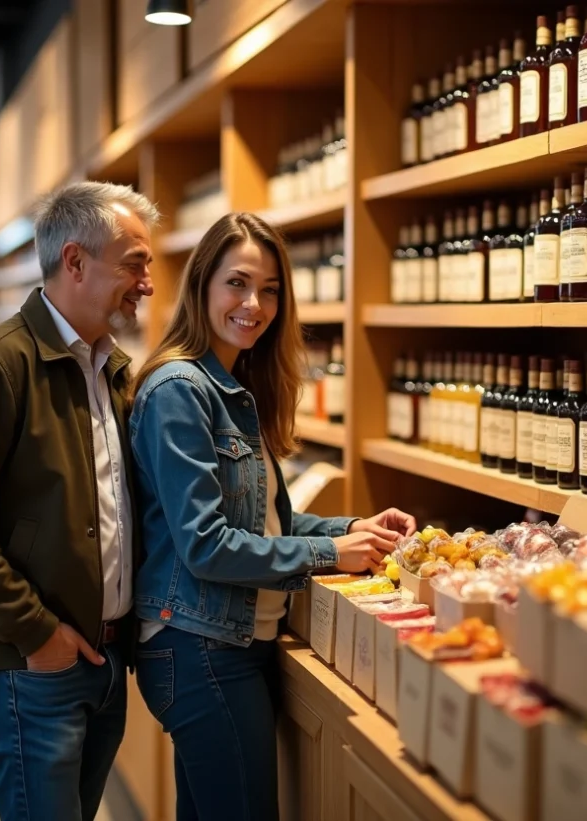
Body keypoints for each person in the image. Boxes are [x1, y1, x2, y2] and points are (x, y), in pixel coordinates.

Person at [127, 212, 417, 820]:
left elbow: (263, 523)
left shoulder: (234, 385)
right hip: (200, 648)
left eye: (270, 290)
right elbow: (207, 545)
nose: (253, 304)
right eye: (236, 283)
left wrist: (353, 530)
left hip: (226, 645)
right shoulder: (181, 389)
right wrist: (330, 555)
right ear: (203, 283)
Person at [0, 181, 158, 821]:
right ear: (75, 261)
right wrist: (37, 632)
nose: (148, 283)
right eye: (135, 263)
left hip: (102, 659)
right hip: (33, 666)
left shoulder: (112, 370)